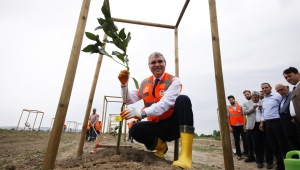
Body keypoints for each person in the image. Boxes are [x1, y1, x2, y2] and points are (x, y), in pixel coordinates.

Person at [118, 52, 194, 169]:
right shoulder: (144, 83)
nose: (157, 64)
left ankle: (186, 157)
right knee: (135, 129)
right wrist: (124, 86)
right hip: (157, 127)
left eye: (160, 61)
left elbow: (164, 104)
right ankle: (161, 147)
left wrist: (141, 113)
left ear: (165, 64)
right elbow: (128, 99)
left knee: (183, 100)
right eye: (153, 62)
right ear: (149, 66)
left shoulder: (173, 81)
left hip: (174, 126)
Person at [259, 83, 289, 170]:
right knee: (273, 144)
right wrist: (262, 122)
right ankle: (280, 164)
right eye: (263, 88)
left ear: (270, 88)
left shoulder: (277, 96)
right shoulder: (264, 100)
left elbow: (284, 106)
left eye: (266, 87)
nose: (264, 89)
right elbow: (263, 112)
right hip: (268, 124)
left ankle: (287, 163)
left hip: (277, 122)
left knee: (282, 143)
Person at [242, 91, 265, 168]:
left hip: (262, 124)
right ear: (251, 97)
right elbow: (244, 112)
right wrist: (253, 108)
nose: (256, 99)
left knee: (264, 142)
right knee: (256, 143)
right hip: (253, 126)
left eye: (257, 97)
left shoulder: (262, 102)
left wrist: (261, 108)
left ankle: (267, 159)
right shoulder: (246, 103)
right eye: (254, 97)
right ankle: (259, 161)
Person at [275, 83, 300, 150]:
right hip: (285, 124)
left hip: (292, 122)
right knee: (290, 142)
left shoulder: (292, 95)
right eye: (278, 91)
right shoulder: (283, 99)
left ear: (287, 87)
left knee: (295, 141)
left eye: (281, 89)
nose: (280, 92)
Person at [227, 95, 248, 160]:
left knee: (244, 139)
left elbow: (244, 115)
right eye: (230, 100)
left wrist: (245, 124)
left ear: (234, 99)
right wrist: (229, 127)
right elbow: (228, 118)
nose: (231, 101)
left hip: (241, 125)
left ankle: (246, 153)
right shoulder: (228, 108)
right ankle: (239, 154)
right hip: (234, 126)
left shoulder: (240, 106)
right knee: (236, 140)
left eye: (232, 99)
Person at [283, 67, 300, 140]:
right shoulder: (295, 88)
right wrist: (295, 116)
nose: (288, 79)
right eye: (286, 78)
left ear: (298, 74)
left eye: (290, 76)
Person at [242, 90, 255, 162]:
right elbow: (245, 113)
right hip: (248, 125)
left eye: (247, 94)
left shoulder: (257, 101)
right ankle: (251, 156)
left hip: (256, 124)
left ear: (251, 94)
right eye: (245, 95)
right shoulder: (245, 103)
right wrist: (244, 124)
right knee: (248, 141)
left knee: (256, 142)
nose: (246, 96)